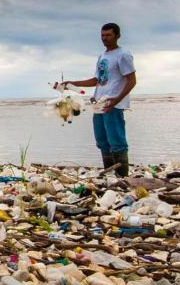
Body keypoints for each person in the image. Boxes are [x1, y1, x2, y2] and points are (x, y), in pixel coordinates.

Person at [57, 22, 137, 177]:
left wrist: (116, 99)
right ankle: (109, 174)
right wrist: (72, 84)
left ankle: (122, 176)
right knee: (102, 141)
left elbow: (132, 80)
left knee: (117, 141)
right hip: (99, 103)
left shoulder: (123, 54)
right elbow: (97, 80)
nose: (105, 38)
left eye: (108, 35)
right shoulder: (103, 56)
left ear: (117, 36)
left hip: (112, 104)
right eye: (102, 35)